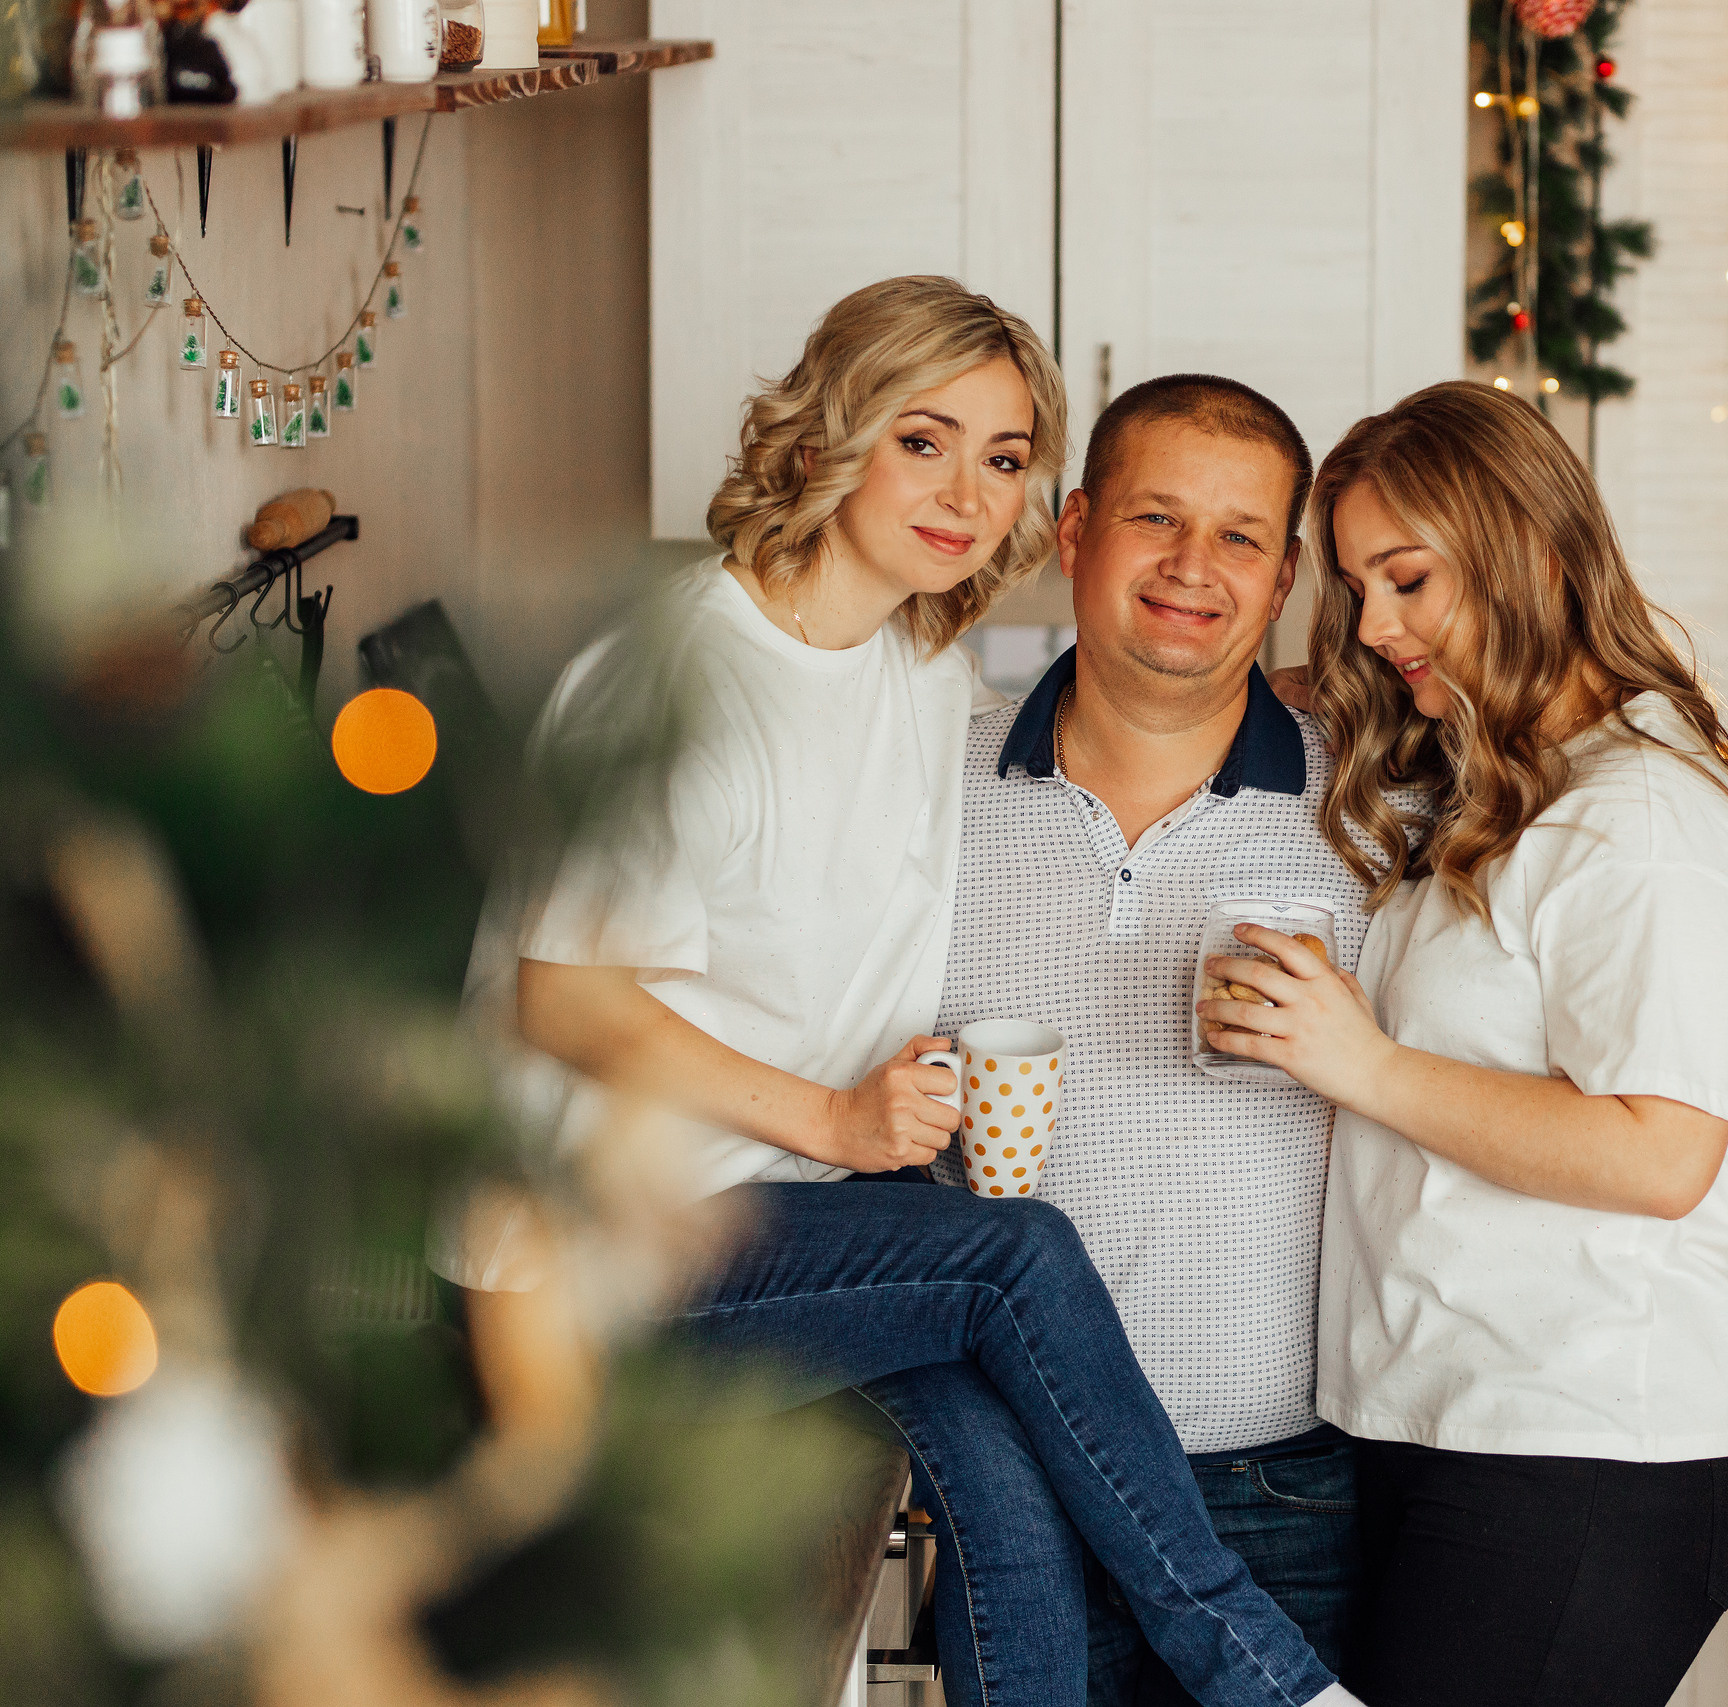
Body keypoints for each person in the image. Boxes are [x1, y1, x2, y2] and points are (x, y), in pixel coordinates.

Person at [442, 279, 1360, 1707]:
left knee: (1000, 1478)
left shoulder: (920, 665)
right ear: (825, 437)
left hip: (790, 1231)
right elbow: (560, 997)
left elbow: (1175, 674)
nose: (965, 492)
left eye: (1002, 459)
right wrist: (832, 1119)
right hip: (600, 1257)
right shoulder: (674, 672)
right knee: (1018, 1256)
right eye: (923, 440)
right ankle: (1266, 1677)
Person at [879, 373, 1728, 1707]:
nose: (1197, 569)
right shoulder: (923, 790)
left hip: (1321, 1477)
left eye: (1245, 541)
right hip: (1033, 1469)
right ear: (1075, 529)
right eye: (1156, 521)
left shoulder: (1410, 797)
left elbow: (1670, 1112)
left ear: (1279, 576)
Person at [1196, 380, 1728, 1707]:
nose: (1375, 624)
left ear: (1532, 551)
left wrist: (1359, 1062)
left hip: (1586, 1447)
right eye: (1357, 584)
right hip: (1467, 1426)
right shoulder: (1513, 782)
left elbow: (1661, 1154)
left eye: (1407, 578)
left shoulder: (1642, 819)